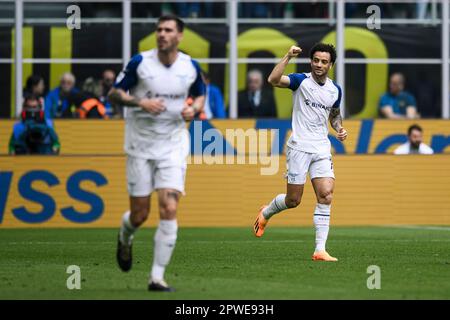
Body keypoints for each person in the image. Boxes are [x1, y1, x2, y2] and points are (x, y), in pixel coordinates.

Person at [108, 14, 205, 292]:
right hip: (140, 146)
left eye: (168, 30)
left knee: (170, 207)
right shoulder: (140, 63)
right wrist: (140, 102)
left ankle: (157, 278)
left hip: (173, 145)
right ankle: (125, 238)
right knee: (139, 215)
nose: (161, 34)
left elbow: (200, 94)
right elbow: (114, 93)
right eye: (159, 30)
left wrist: (194, 109)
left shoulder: (190, 67)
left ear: (179, 36)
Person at [253, 43, 347, 262]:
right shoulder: (300, 80)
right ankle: (266, 212)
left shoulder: (335, 90)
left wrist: (339, 128)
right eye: (316, 60)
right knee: (294, 200)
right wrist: (287, 56)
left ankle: (320, 250)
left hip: (321, 147)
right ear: (311, 61)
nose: (319, 65)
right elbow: (273, 80)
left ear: (330, 65)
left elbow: (334, 114)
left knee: (326, 194)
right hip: (299, 147)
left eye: (324, 62)